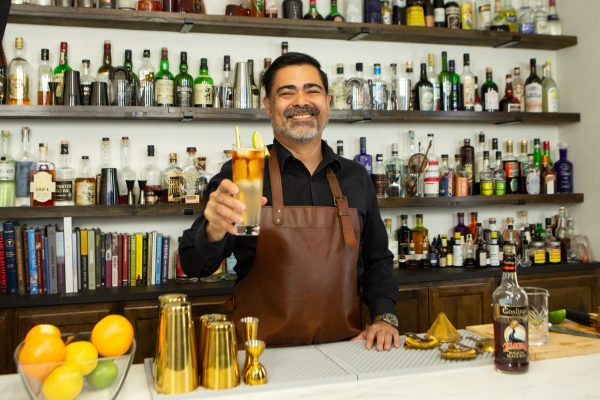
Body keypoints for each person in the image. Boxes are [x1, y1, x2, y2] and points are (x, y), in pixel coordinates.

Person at [179, 52, 400, 351]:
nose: (301, 101)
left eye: (312, 90)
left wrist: (384, 317)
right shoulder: (244, 174)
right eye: (286, 93)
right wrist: (213, 230)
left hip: (347, 348)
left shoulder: (355, 177)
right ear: (268, 105)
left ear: (327, 102)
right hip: (260, 356)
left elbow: (377, 260)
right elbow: (195, 265)